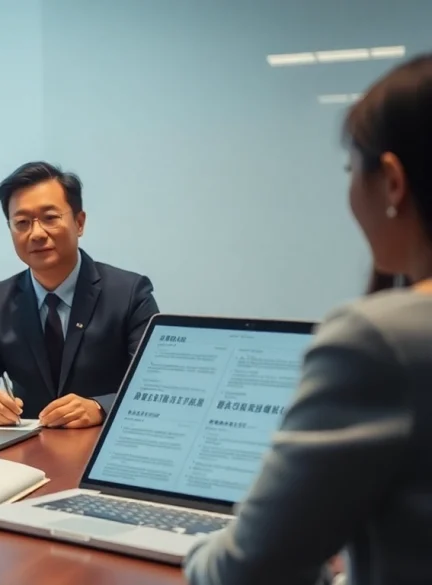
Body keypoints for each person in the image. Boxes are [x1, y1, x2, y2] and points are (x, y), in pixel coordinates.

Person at [184, 53, 432, 585]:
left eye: (351, 170)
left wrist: (195, 545)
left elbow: (247, 571)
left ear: (391, 181)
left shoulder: (381, 340)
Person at [0, 162, 159, 428]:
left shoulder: (129, 293)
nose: (36, 233)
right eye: (22, 223)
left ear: (79, 223)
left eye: (49, 218)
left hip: (104, 450)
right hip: (27, 456)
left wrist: (101, 407)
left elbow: (158, 387)